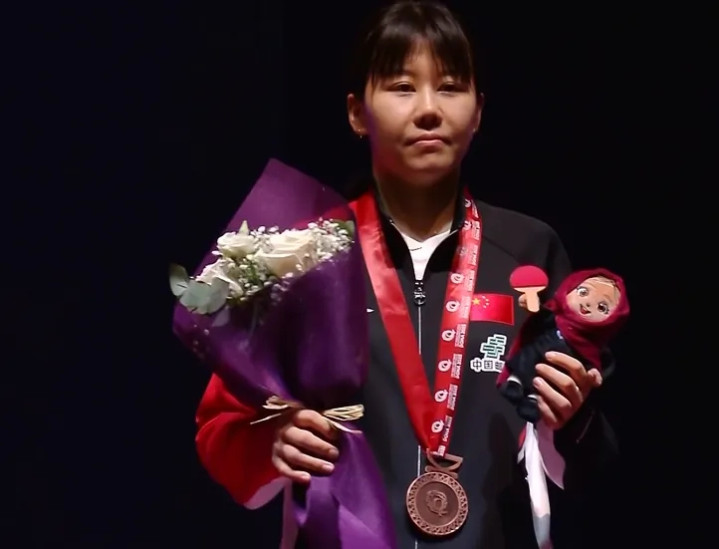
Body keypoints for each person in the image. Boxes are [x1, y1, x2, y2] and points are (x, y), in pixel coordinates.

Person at [193, 1, 619, 547]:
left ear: (478, 112)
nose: (428, 109)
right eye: (401, 87)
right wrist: (273, 441)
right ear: (356, 112)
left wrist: (573, 418)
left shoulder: (530, 254)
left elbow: (581, 466)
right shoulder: (297, 254)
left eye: (450, 87)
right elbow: (221, 429)